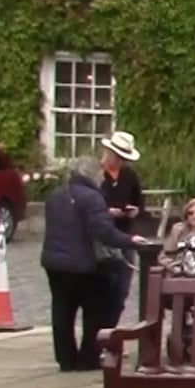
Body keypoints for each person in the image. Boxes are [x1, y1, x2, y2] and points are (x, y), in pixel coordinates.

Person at [39, 157, 150, 372]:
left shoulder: (55, 196)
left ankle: (66, 358)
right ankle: (88, 357)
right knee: (98, 309)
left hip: (54, 261)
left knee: (62, 310)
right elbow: (103, 231)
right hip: (84, 263)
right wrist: (129, 240)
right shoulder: (92, 197)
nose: (102, 177)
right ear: (92, 175)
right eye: (100, 174)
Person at [98, 130, 146, 306]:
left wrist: (135, 210)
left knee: (123, 285)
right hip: (103, 235)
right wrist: (106, 211)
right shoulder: (97, 175)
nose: (120, 162)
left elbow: (139, 201)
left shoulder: (129, 175)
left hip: (125, 232)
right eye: (117, 157)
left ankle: (115, 315)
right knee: (104, 284)